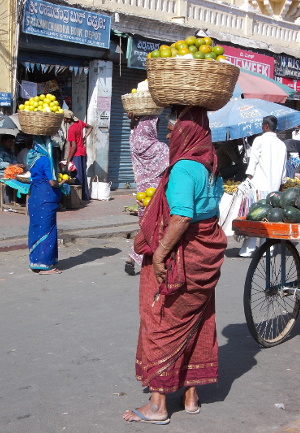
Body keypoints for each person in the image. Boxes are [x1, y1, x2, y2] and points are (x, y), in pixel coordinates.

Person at [122, 106, 227, 425]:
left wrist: (162, 253)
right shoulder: (211, 164)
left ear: (186, 132)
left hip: (182, 256)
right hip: (206, 255)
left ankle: (157, 405)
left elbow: (181, 216)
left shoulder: (184, 168)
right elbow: (208, 209)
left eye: (175, 127)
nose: (169, 133)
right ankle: (191, 396)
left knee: (161, 321)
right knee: (197, 321)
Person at [125, 114, 169, 276]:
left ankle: (134, 255)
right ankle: (140, 256)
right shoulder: (161, 148)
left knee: (146, 225)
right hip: (157, 193)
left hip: (142, 193)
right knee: (156, 227)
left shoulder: (134, 143)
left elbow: (132, 131)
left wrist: (134, 121)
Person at [239, 115, 287, 257]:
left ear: (266, 125)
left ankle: (249, 249)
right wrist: (281, 185)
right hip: (273, 188)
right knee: (269, 217)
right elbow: (283, 170)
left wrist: (248, 178)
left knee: (255, 217)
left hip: (259, 186)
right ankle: (269, 249)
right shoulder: (282, 144)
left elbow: (253, 163)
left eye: (261, 124)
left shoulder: (259, 141)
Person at [27, 136, 67, 275]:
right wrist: (62, 184)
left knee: (36, 228)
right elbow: (52, 182)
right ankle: (45, 265)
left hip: (35, 195)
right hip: (46, 196)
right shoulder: (45, 160)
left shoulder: (31, 157)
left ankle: (35, 262)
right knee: (47, 230)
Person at [64, 110, 93, 201]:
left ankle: (77, 198)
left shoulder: (71, 129)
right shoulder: (79, 123)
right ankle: (85, 196)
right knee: (83, 174)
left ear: (67, 119)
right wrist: (84, 137)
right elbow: (90, 127)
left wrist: (68, 159)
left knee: (77, 176)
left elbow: (74, 147)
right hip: (82, 151)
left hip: (76, 153)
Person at [0, 134, 25, 203]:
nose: (11, 144)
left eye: (12, 142)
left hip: (12, 173)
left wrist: (19, 165)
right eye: (9, 141)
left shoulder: (10, 151)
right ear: (4, 142)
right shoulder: (1, 151)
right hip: (2, 174)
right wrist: (11, 165)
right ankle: (7, 203)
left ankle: (18, 201)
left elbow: (15, 162)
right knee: (7, 182)